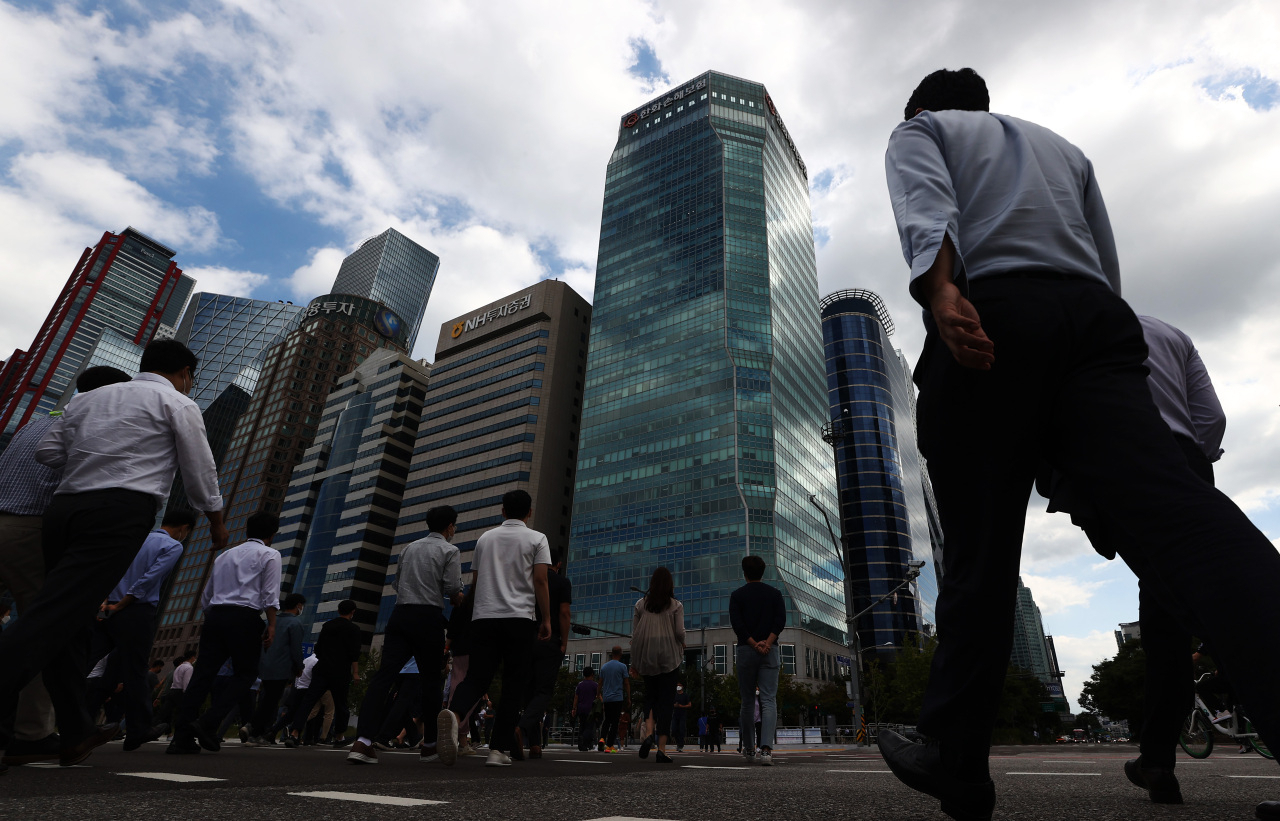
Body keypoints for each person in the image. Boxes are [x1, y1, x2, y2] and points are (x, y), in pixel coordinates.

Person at [876, 67, 1280, 821]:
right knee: (1186, 521)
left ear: (925, 107)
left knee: (980, 551)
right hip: (1095, 325)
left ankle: (956, 757)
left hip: (993, 313)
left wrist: (941, 293)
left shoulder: (920, 131)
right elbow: (1104, 264)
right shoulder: (1065, 149)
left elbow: (926, 211)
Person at [1038, 314, 1228, 804]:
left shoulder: (1067, 325)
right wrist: (1189, 458)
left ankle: (1159, 761)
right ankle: (1156, 759)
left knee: (1170, 619)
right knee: (1190, 602)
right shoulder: (1171, 333)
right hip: (1186, 463)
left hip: (1116, 459)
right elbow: (1211, 419)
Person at [0, 366, 132, 770]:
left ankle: (43, 731)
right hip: (32, 529)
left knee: (39, 627)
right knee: (46, 630)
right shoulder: (89, 427)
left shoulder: (36, 423)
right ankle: (31, 734)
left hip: (5, 521)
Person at [435, 489, 551, 768]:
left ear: (502, 511)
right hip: (519, 618)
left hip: (484, 617)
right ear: (529, 512)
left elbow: (476, 582)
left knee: (477, 677)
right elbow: (540, 581)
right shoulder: (537, 538)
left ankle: (454, 712)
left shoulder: (485, 538)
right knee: (514, 683)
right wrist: (545, 619)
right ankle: (498, 750)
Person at [348, 505, 462, 765]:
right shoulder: (449, 550)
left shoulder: (408, 548)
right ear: (449, 527)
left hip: (400, 615)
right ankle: (430, 745)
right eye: (454, 526)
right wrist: (457, 597)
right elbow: (453, 587)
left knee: (383, 677)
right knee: (431, 682)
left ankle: (362, 741)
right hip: (428, 617)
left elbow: (397, 584)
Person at [167, 511, 279, 754]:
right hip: (245, 617)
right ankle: (208, 722)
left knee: (202, 676)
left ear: (247, 531)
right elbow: (270, 595)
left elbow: (207, 595)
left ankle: (181, 738)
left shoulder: (225, 556)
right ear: (272, 534)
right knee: (246, 674)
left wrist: (214, 619)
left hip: (215, 615)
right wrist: (271, 625)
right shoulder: (270, 555)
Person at [87, 508, 194, 751]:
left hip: (108, 608)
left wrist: (106, 602)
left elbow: (113, 568)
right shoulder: (172, 546)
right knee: (136, 670)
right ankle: (138, 729)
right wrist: (124, 602)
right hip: (134, 609)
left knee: (96, 665)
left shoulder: (138, 538)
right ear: (184, 528)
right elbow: (150, 578)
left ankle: (78, 723)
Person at [729, 554, 785, 766]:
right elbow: (780, 620)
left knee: (747, 702)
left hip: (746, 650)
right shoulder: (775, 594)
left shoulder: (737, 596)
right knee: (769, 700)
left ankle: (749, 748)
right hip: (769, 651)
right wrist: (768, 643)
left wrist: (753, 644)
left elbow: (738, 625)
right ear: (763, 572)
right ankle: (767, 750)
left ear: (744, 573)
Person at [516, 547, 571, 759]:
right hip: (550, 639)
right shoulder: (561, 582)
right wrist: (564, 642)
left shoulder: (528, 579)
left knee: (529, 690)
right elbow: (565, 613)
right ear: (557, 564)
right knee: (544, 691)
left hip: (526, 638)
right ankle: (520, 728)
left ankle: (535, 745)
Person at [286, 599, 362, 748]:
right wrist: (356, 673)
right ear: (352, 612)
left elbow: (319, 648)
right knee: (341, 705)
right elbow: (354, 653)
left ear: (339, 610)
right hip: (340, 671)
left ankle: (295, 733)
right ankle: (339, 737)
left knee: (309, 701)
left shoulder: (327, 626)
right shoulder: (354, 629)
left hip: (322, 669)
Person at [630, 566, 685, 764]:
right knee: (666, 702)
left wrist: (634, 662)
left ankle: (649, 733)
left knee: (650, 698)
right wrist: (683, 642)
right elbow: (679, 633)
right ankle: (662, 749)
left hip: (647, 657)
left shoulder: (640, 604)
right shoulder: (675, 605)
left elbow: (635, 635)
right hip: (669, 657)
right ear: (670, 584)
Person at [246, 592, 305, 746]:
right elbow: (296, 649)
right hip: (282, 667)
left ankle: (252, 727)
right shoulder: (295, 624)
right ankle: (253, 730)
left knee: (267, 699)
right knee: (271, 702)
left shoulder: (272, 621)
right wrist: (299, 666)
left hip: (265, 666)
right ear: (298, 606)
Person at [597, 646, 630, 752]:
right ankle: (610, 745)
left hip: (607, 698)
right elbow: (626, 682)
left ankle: (602, 738)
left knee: (607, 719)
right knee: (615, 722)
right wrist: (628, 697)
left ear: (611, 653)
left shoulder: (604, 667)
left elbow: (600, 682)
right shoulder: (622, 666)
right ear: (620, 653)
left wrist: (598, 694)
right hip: (617, 697)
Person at [571, 667, 600, 752]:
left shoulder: (580, 685)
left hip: (581, 709)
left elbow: (576, 697)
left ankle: (581, 744)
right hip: (590, 710)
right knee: (589, 727)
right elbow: (599, 697)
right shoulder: (595, 685)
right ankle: (584, 741)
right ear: (592, 674)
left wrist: (574, 708)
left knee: (582, 726)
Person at [671, 684, 691, 752]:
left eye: (679, 685)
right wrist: (675, 705)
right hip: (675, 714)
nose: (678, 686)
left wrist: (681, 706)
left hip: (682, 715)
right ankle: (678, 742)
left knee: (681, 730)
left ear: (682, 687)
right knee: (674, 729)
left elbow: (689, 705)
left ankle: (681, 744)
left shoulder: (685, 695)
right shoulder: (674, 695)